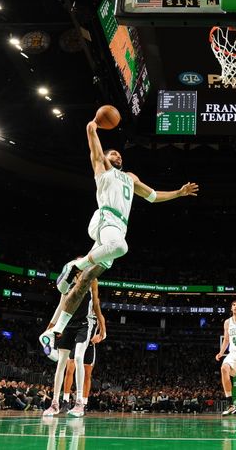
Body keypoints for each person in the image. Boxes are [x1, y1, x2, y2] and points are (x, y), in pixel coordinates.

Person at [39, 119, 198, 357]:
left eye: (120, 154)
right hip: (104, 220)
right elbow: (94, 145)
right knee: (119, 247)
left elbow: (153, 196)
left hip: (118, 226)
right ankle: (75, 265)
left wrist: (179, 193)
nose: (118, 156)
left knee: (84, 283)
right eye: (113, 153)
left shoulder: (130, 177)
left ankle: (53, 331)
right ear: (105, 157)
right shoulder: (102, 168)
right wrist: (91, 127)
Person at [42, 269, 104, 417]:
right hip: (67, 323)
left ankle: (80, 404)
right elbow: (60, 306)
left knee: (78, 358)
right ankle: (55, 404)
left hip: (85, 323)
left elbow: (96, 304)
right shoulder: (67, 284)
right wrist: (50, 326)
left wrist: (103, 331)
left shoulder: (92, 281)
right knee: (61, 363)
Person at [61, 293, 106, 412]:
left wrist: (100, 337)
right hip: (77, 344)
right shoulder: (81, 313)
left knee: (87, 375)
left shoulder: (99, 317)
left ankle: (84, 403)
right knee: (69, 371)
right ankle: (65, 401)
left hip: (90, 347)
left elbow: (103, 334)